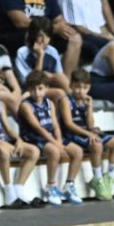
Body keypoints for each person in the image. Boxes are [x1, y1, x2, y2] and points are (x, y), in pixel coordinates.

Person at [0, 66, 45, 209]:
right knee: (2, 151)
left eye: (0, 82)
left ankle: (19, 188)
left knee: (34, 151)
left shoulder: (0, 104)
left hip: (1, 140)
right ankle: (9, 193)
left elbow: (8, 127)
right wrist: (2, 142)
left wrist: (18, 140)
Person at [18, 70, 85, 206]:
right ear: (28, 90)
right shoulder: (26, 105)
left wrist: (59, 141)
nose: (37, 93)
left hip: (50, 136)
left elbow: (55, 125)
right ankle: (51, 186)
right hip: (33, 137)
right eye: (33, 89)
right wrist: (56, 144)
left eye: (40, 88)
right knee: (54, 152)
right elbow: (38, 128)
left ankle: (69, 185)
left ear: (46, 88)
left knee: (78, 152)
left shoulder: (50, 103)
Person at [59, 68, 114, 200]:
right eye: (77, 87)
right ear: (71, 85)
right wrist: (89, 134)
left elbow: (90, 125)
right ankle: (97, 179)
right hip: (72, 133)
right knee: (97, 144)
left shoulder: (87, 100)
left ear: (89, 88)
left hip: (86, 131)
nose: (80, 91)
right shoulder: (66, 100)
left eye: (84, 88)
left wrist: (89, 108)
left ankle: (109, 177)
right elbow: (68, 124)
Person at [13, 17, 70, 101]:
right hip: (31, 90)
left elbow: (60, 75)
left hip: (47, 86)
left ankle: (74, 100)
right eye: (40, 36)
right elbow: (30, 82)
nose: (44, 40)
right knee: (59, 93)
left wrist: (49, 76)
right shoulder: (22, 52)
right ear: (33, 35)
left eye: (47, 36)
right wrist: (40, 56)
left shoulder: (52, 51)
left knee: (60, 79)